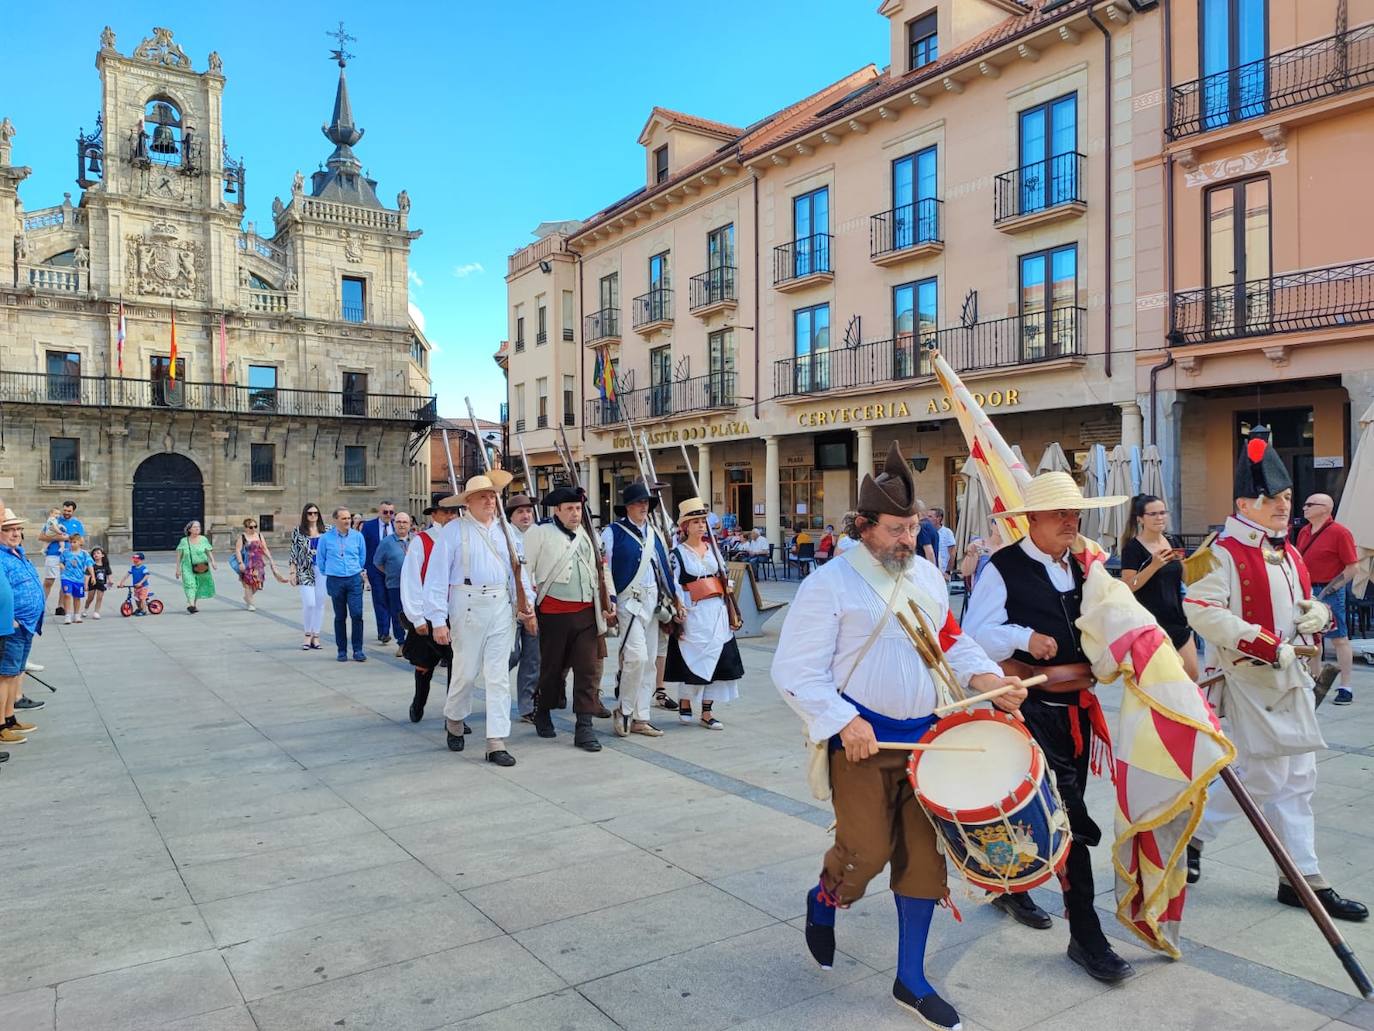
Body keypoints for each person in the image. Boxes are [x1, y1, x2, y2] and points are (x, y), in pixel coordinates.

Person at [773, 442, 1025, 1031]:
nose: (907, 539)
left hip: (928, 741)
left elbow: (951, 640)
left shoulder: (929, 576)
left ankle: (910, 979)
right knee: (866, 855)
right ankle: (824, 899)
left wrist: (989, 679)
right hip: (862, 740)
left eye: (912, 527)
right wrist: (843, 722)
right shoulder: (829, 584)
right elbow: (794, 671)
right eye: (894, 529)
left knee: (921, 862)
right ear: (864, 527)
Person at [963, 470, 1136, 983]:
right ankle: (1086, 936)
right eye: (1060, 512)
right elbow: (972, 637)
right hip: (1030, 712)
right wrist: (1022, 637)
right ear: (1031, 519)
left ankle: (1011, 887)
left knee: (1042, 812)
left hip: (1077, 713)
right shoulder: (1004, 566)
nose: (1070, 520)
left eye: (1074, 512)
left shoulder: (1084, 568)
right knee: (1068, 821)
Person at [1184, 436, 1366, 921]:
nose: (1283, 508)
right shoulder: (1219, 553)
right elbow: (1199, 609)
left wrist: (1318, 613)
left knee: (1299, 778)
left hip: (1293, 680)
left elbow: (1308, 601)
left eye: (1286, 500)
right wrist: (1266, 642)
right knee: (1265, 774)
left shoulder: (1289, 552)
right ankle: (1195, 838)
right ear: (1245, 503)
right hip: (1248, 679)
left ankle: (1302, 878)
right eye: (1272, 501)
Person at [425, 473, 533, 766]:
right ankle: (455, 718)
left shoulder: (507, 532)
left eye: (493, 496)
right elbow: (435, 579)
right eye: (483, 496)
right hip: (467, 605)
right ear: (468, 502)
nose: (489, 501)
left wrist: (528, 605)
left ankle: (496, 741)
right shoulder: (453, 531)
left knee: (498, 676)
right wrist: (437, 620)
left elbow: (520, 574)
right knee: (466, 672)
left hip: (501, 606)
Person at [525, 486, 619, 748]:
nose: (575, 514)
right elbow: (524, 573)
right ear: (557, 510)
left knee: (588, 670)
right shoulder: (540, 533)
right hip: (553, 614)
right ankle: (542, 710)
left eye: (578, 508)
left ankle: (584, 727)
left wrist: (609, 598)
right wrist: (527, 609)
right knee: (552, 669)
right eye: (570, 509)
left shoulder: (588, 536)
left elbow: (602, 570)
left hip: (587, 614)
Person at [602, 482, 672, 740]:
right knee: (637, 658)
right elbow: (605, 570)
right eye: (639, 503)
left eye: (646, 503)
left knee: (650, 661)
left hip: (653, 602)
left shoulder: (653, 533)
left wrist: (674, 599)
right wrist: (608, 599)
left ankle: (642, 717)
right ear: (628, 507)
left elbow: (663, 568)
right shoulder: (612, 533)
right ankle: (624, 709)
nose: (644, 507)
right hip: (627, 600)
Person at [668, 498, 743, 730]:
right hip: (693, 611)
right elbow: (674, 585)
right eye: (695, 522)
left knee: (719, 661)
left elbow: (723, 576)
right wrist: (679, 607)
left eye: (703, 521)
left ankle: (708, 712)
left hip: (717, 610)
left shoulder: (714, 550)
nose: (701, 525)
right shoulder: (677, 554)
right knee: (694, 659)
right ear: (686, 526)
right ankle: (686, 698)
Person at [1120, 494, 1198, 682]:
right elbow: (1129, 587)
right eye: (1153, 514)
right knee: (1159, 682)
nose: (1159, 517)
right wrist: (1153, 566)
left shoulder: (1173, 541)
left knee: (1192, 675)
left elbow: (1186, 578)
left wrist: (1193, 563)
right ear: (1140, 519)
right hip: (1150, 623)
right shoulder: (1133, 548)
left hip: (1178, 619)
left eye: (1163, 512)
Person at [1295, 493, 1361, 705]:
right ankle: (1315, 680)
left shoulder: (1340, 533)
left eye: (1309, 504)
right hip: (1307, 591)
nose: (1304, 507)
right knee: (1313, 638)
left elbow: (1353, 567)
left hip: (1330, 590)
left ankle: (1346, 686)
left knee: (1339, 637)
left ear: (1324, 508)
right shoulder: (1304, 532)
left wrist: (1333, 589)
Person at [400, 500, 457, 723]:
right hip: (427, 614)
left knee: (457, 666)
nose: (452, 516)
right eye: (446, 512)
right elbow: (411, 579)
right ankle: (418, 702)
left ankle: (454, 716)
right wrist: (417, 617)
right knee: (425, 664)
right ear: (434, 515)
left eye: (455, 511)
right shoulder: (421, 541)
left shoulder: (459, 540)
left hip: (455, 612)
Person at [0, 509, 44, 746]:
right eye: (9, 530)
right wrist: (11, 617)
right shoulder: (1, 557)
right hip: (13, 625)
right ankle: (2, 725)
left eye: (18, 529)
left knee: (14, 673)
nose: (15, 533)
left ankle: (9, 718)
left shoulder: (17, 553)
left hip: (26, 625)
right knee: (5, 675)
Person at [504, 494, 541, 722]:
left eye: (528, 511)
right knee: (511, 654)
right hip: (510, 605)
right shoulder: (505, 536)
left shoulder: (538, 536)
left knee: (533, 657)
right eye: (520, 512)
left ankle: (527, 707)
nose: (526, 515)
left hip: (534, 605)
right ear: (511, 516)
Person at [318, 507, 367, 662]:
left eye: (348, 518)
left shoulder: (358, 536)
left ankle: (358, 650)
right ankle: (341, 650)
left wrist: (355, 569)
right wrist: (330, 571)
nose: (347, 521)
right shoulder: (326, 538)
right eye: (344, 518)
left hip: (353, 579)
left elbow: (362, 556)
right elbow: (321, 559)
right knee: (340, 616)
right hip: (335, 579)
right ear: (336, 520)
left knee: (357, 614)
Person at [372, 511, 413, 656]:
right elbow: (377, 562)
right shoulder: (387, 542)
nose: (401, 524)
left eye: (405, 522)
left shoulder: (416, 540)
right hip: (395, 584)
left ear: (410, 525)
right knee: (398, 614)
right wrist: (390, 572)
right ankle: (401, 643)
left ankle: (413, 642)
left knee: (414, 614)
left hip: (414, 586)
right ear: (394, 524)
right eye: (399, 522)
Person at [362, 501, 401, 644]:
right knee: (380, 599)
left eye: (391, 512)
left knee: (394, 601)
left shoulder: (397, 526)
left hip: (393, 571)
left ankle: (397, 632)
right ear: (379, 512)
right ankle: (383, 632)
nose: (388, 515)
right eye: (385, 512)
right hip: (375, 570)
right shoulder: (368, 526)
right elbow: (363, 548)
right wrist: (364, 568)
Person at [289, 503, 327, 650]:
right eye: (310, 513)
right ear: (305, 515)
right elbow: (293, 552)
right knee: (309, 603)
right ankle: (307, 633)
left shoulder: (327, 530)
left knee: (319, 603)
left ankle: (315, 635)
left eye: (316, 513)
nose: (313, 516)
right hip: (305, 570)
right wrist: (292, 572)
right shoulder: (298, 531)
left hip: (322, 571)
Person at [39, 500, 83, 614]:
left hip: (68, 556)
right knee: (49, 581)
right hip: (53, 554)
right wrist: (59, 538)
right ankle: (40, 605)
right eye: (65, 510)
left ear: (73, 511)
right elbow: (41, 537)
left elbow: (81, 540)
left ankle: (60, 607)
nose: (66, 512)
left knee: (66, 581)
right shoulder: (54, 520)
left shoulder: (77, 523)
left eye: (69, 511)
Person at [234, 517, 286, 611]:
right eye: (251, 527)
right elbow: (238, 550)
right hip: (248, 563)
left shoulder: (259, 535)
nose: (253, 529)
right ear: (246, 528)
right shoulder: (242, 537)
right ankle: (251, 603)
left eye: (255, 526)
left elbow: (264, 548)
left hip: (258, 563)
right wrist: (240, 562)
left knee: (258, 583)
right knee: (248, 583)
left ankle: (247, 597)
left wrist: (270, 559)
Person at [175, 521, 216, 613]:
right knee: (190, 584)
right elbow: (179, 556)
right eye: (195, 527)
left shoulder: (203, 539)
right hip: (187, 566)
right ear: (189, 529)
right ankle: (191, 605)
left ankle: (193, 604)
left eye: (199, 527)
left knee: (198, 585)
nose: (197, 528)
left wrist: (213, 561)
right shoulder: (184, 541)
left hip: (201, 565)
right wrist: (177, 569)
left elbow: (208, 550)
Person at [959, 518, 1004, 600]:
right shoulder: (980, 544)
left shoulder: (1013, 547)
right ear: (991, 525)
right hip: (982, 595)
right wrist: (971, 553)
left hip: (1004, 595)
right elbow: (966, 571)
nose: (999, 526)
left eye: (1003, 522)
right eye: (996, 522)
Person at [59, 533, 94, 624]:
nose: (72, 544)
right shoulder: (65, 552)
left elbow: (89, 565)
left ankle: (76, 614)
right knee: (67, 594)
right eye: (70, 542)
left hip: (78, 578)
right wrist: (62, 566)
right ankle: (67, 615)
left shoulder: (84, 554)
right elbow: (60, 562)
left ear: (80, 543)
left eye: (74, 542)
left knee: (77, 597)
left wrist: (93, 576)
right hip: (66, 577)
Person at [83, 546, 112, 620]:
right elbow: (87, 575)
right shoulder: (91, 565)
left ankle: (96, 612)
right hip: (92, 583)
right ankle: (86, 608)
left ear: (102, 555)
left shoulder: (105, 565)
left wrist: (110, 581)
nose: (96, 554)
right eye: (94, 553)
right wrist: (85, 585)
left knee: (99, 598)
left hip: (102, 583)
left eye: (98, 553)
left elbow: (108, 574)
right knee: (90, 598)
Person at [931, 507, 956, 579]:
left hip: (943, 572)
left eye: (930, 516)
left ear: (939, 518)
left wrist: (948, 571)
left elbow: (952, 553)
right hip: (932, 572)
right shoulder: (929, 532)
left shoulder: (947, 532)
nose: (927, 519)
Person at [916, 502, 939, 566]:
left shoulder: (922, 527)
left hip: (924, 570)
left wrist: (932, 572)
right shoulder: (930, 526)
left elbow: (929, 552)